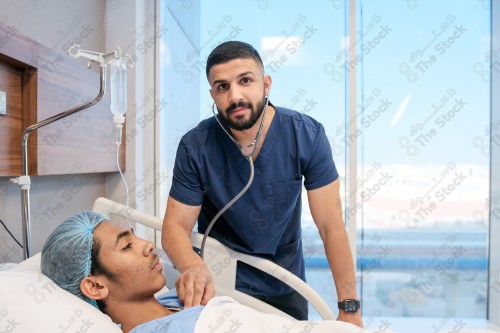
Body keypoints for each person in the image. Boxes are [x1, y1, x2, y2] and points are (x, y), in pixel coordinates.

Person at [162, 41, 362, 326]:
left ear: (266, 84)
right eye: (222, 87)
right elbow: (175, 227)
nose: (235, 96)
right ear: (212, 94)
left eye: (245, 80)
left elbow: (331, 224)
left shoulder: (306, 135)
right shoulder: (196, 146)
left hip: (284, 282)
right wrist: (193, 267)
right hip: (219, 284)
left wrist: (350, 308)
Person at [40, 212, 379, 333]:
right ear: (95, 286)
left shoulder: (175, 299)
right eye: (126, 246)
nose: (148, 244)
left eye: (136, 236)